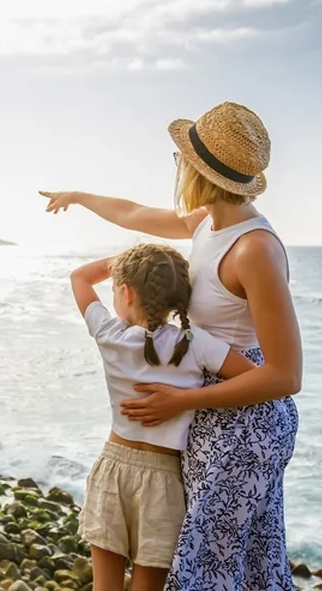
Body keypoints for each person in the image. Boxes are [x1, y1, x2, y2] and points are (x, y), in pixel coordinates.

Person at [41, 101, 302, 590]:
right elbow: (135, 214)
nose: (178, 165)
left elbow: (285, 377)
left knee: (216, 571)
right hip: (209, 406)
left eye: (181, 157)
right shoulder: (208, 223)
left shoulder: (255, 250)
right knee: (208, 566)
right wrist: (78, 195)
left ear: (198, 168)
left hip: (242, 426)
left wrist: (182, 400)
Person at [70, 243, 256, 591]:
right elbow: (254, 377)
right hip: (164, 479)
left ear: (125, 291)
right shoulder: (195, 341)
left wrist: (133, 263)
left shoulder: (110, 334)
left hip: (113, 469)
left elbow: (80, 277)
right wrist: (188, 399)